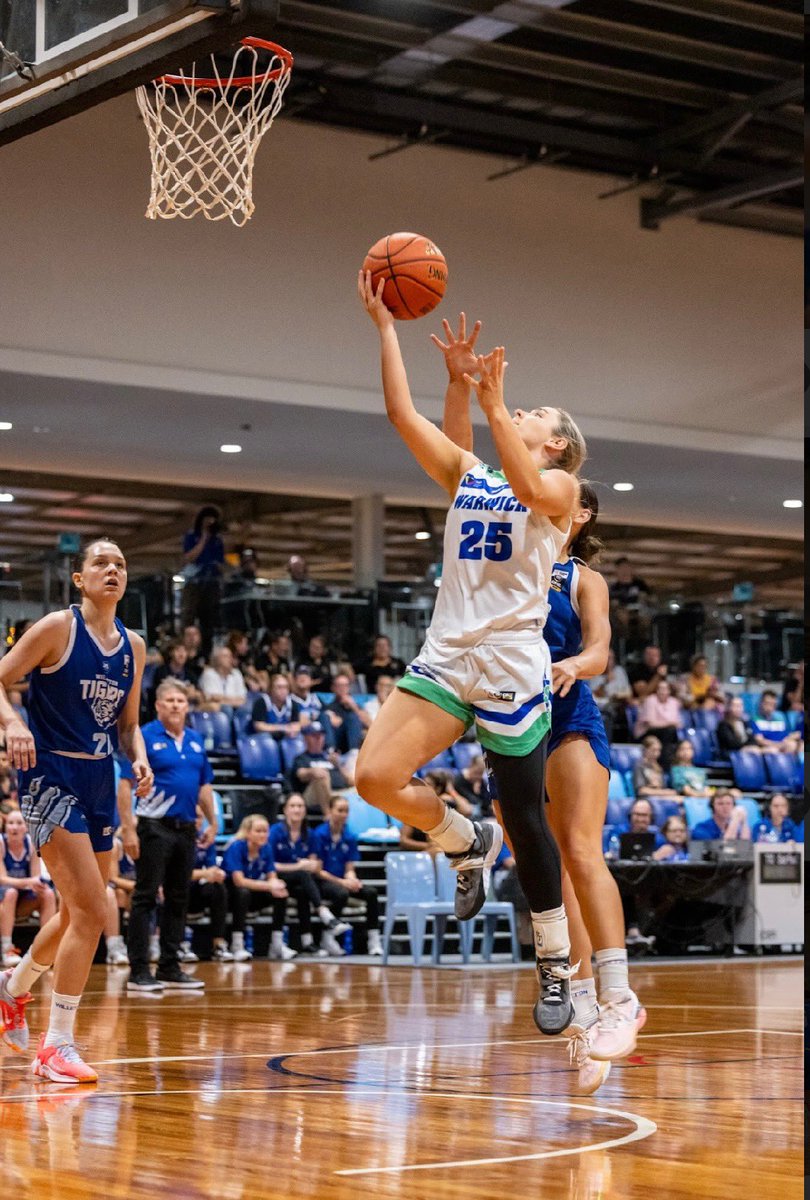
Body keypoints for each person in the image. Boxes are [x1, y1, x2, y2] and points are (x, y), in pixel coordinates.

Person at [356, 283, 585, 1035]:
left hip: (514, 665)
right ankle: (463, 839)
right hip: (450, 655)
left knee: (526, 819)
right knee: (374, 778)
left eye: (533, 417)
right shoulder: (469, 477)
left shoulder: (556, 486)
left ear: (557, 443)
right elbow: (404, 415)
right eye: (521, 410)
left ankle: (554, 964)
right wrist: (388, 329)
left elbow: (520, 475)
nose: (521, 415)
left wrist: (492, 404)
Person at [0, 538, 153, 1083]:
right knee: (91, 910)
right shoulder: (56, 629)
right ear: (79, 579)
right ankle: (55, 1046)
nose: (112, 570)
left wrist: (138, 759)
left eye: (120, 564)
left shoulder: (133, 645)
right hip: (48, 774)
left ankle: (11, 989)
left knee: (77, 911)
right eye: (101, 563)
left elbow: (128, 724)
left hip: (97, 776)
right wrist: (14, 723)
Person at [119, 680, 218, 993]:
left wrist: (213, 821)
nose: (176, 705)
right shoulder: (143, 736)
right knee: (146, 895)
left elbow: (204, 786)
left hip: (186, 827)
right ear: (158, 705)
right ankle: (138, 970)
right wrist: (128, 827)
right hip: (153, 825)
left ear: (187, 706)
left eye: (181, 700)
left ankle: (170, 966)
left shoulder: (196, 740)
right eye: (170, 700)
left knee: (179, 897)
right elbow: (125, 785)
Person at [268, 793, 349, 955]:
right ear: (285, 810)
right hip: (278, 877)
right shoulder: (275, 832)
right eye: (293, 806)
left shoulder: (310, 834)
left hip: (301, 881)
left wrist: (309, 865)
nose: (297, 810)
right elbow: (271, 865)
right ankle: (323, 912)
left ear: (305, 810)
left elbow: (314, 865)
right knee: (302, 876)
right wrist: (297, 866)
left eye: (300, 806)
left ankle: (308, 942)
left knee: (303, 890)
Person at [309, 794, 382, 956]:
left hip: (342, 880)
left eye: (346, 811)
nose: (344, 814)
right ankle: (328, 936)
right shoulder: (319, 834)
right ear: (330, 811)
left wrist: (351, 878)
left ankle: (374, 940)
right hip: (323, 880)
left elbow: (349, 866)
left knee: (371, 893)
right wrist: (343, 882)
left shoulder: (349, 836)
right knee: (340, 893)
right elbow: (317, 870)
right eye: (340, 810)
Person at [222, 814, 293, 961]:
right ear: (248, 832)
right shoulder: (236, 846)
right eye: (258, 831)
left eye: (265, 831)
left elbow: (271, 875)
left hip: (254, 892)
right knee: (243, 893)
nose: (263, 834)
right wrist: (269, 885)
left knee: (281, 893)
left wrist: (275, 885)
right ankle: (237, 944)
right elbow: (239, 881)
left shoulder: (266, 848)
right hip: (232, 896)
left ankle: (277, 943)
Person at [1, 811, 57, 967]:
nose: (14, 827)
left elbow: (36, 876)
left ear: (26, 827)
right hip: (4, 899)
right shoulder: (1, 844)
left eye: (19, 823)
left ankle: (45, 948)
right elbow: (2, 879)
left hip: (21, 899)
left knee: (47, 893)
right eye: (11, 823)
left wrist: (38, 883)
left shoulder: (31, 843)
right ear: (5, 827)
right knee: (11, 892)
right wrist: (28, 882)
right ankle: (6, 949)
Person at [187, 808, 232, 962]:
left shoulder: (206, 839)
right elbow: (175, 874)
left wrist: (216, 874)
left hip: (196, 891)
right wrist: (205, 874)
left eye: (199, 817)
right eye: (192, 816)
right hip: (177, 890)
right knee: (178, 887)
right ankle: (180, 943)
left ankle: (218, 943)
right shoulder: (175, 840)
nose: (196, 821)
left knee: (218, 888)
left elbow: (212, 868)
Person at [181, 506, 226, 656]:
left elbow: (220, 563)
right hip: (195, 582)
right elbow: (189, 558)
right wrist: (203, 539)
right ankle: (188, 648)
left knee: (209, 620)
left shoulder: (217, 540)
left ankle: (206, 651)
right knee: (190, 616)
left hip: (211, 583)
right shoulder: (192, 536)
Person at [290, 722, 352, 817]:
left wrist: (338, 765)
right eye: (314, 736)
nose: (318, 738)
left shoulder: (330, 758)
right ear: (306, 738)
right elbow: (300, 774)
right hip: (313, 796)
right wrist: (312, 771)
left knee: (364, 786)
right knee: (321, 775)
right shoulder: (301, 758)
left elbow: (349, 780)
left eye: (321, 735)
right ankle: (328, 816)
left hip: (338, 793)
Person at [104, 829, 136, 966]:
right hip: (114, 886)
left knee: (154, 892)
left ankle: (154, 941)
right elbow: (112, 878)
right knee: (114, 894)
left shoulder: (149, 844)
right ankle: (114, 946)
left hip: (128, 889)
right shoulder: (115, 845)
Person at [633, 679, 683, 764]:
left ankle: (674, 765)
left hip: (667, 734)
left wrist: (669, 724)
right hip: (646, 733)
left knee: (673, 735)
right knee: (669, 731)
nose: (663, 691)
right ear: (656, 690)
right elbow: (651, 724)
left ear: (669, 691)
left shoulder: (674, 702)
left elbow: (678, 724)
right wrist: (669, 723)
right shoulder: (650, 700)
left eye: (665, 689)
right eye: (660, 689)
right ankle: (665, 765)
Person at [588, 648, 633, 741]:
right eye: (607, 658)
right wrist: (605, 682)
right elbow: (594, 694)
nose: (609, 661)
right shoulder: (594, 672)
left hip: (617, 706)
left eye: (611, 658)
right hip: (599, 707)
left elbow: (628, 693)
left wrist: (616, 696)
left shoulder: (619, 671)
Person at [608, 558, 652, 649]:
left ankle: (645, 643)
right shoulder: (615, 588)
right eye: (621, 568)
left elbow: (649, 597)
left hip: (639, 610)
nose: (624, 571)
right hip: (623, 612)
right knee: (622, 617)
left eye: (626, 567)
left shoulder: (640, 584)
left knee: (645, 618)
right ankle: (626, 643)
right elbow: (613, 603)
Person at [148, 641, 201, 714]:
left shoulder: (190, 673)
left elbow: (200, 695)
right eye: (178, 650)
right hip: (166, 710)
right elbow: (157, 694)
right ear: (171, 653)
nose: (181, 654)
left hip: (188, 711)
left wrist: (195, 694)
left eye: (184, 651)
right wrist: (185, 692)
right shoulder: (161, 671)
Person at [324, 672, 371, 752]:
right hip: (339, 744)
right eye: (339, 685)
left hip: (356, 743)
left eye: (345, 685)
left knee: (354, 718)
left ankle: (354, 752)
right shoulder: (329, 707)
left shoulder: (356, 706)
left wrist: (353, 706)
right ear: (333, 687)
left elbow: (370, 725)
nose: (342, 688)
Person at [251, 673, 304, 739]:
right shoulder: (262, 702)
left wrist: (293, 729)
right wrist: (282, 728)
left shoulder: (292, 704)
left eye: (285, 687)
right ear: (271, 689)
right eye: (279, 687)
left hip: (286, 737)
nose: (283, 691)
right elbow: (258, 726)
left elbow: (296, 724)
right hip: (265, 738)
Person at [198, 646, 247, 713]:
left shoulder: (237, 673)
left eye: (230, 656)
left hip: (236, 708)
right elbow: (212, 698)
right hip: (214, 712)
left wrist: (223, 699)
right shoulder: (209, 674)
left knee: (245, 710)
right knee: (227, 709)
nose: (230, 659)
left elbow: (242, 699)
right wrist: (234, 700)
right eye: (225, 656)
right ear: (217, 659)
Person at [451, 754, 492, 819]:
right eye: (476, 772)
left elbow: (487, 802)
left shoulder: (480, 781)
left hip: (482, 815)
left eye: (480, 773)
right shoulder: (459, 780)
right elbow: (474, 801)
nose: (478, 776)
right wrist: (476, 792)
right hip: (465, 814)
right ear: (471, 765)